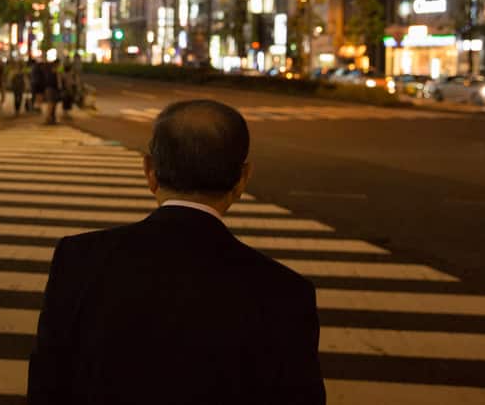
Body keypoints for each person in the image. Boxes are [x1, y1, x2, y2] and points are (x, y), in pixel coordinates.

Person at [28, 100, 324, 404]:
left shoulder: (79, 259)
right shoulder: (286, 293)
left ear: (150, 171)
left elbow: (46, 386)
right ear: (242, 179)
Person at [41, 59, 62, 125]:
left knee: (52, 104)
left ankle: (51, 118)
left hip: (49, 88)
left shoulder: (49, 71)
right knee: (51, 104)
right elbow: (58, 82)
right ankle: (48, 119)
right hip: (52, 89)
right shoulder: (54, 71)